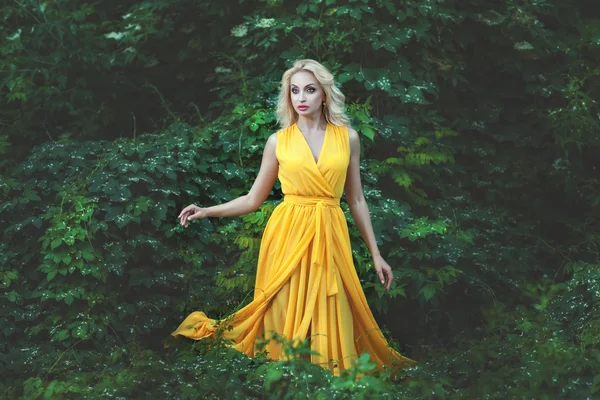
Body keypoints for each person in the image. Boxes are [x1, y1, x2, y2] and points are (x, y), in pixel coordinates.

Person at [172, 59, 416, 375]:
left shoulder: (348, 138)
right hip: (288, 232)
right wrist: (206, 211)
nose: (301, 98)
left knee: (331, 301)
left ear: (325, 95)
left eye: (310, 90)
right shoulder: (278, 141)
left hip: (329, 229)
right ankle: (284, 374)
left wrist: (376, 253)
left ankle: (326, 371)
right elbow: (252, 199)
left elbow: (355, 198)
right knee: (284, 306)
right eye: (295, 90)